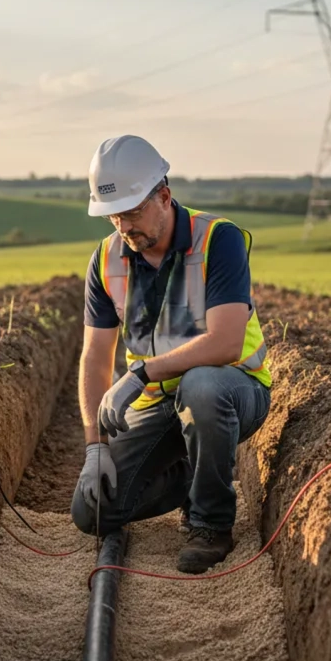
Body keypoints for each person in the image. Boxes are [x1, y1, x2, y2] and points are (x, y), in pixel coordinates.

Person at [70, 135, 272, 574]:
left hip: (233, 389)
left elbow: (226, 343)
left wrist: (140, 374)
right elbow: (94, 357)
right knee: (92, 513)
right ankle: (191, 478)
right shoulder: (106, 259)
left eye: (132, 212)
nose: (123, 227)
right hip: (161, 404)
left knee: (201, 385)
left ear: (163, 195)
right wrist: (94, 448)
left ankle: (210, 523)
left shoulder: (219, 239)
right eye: (113, 217)